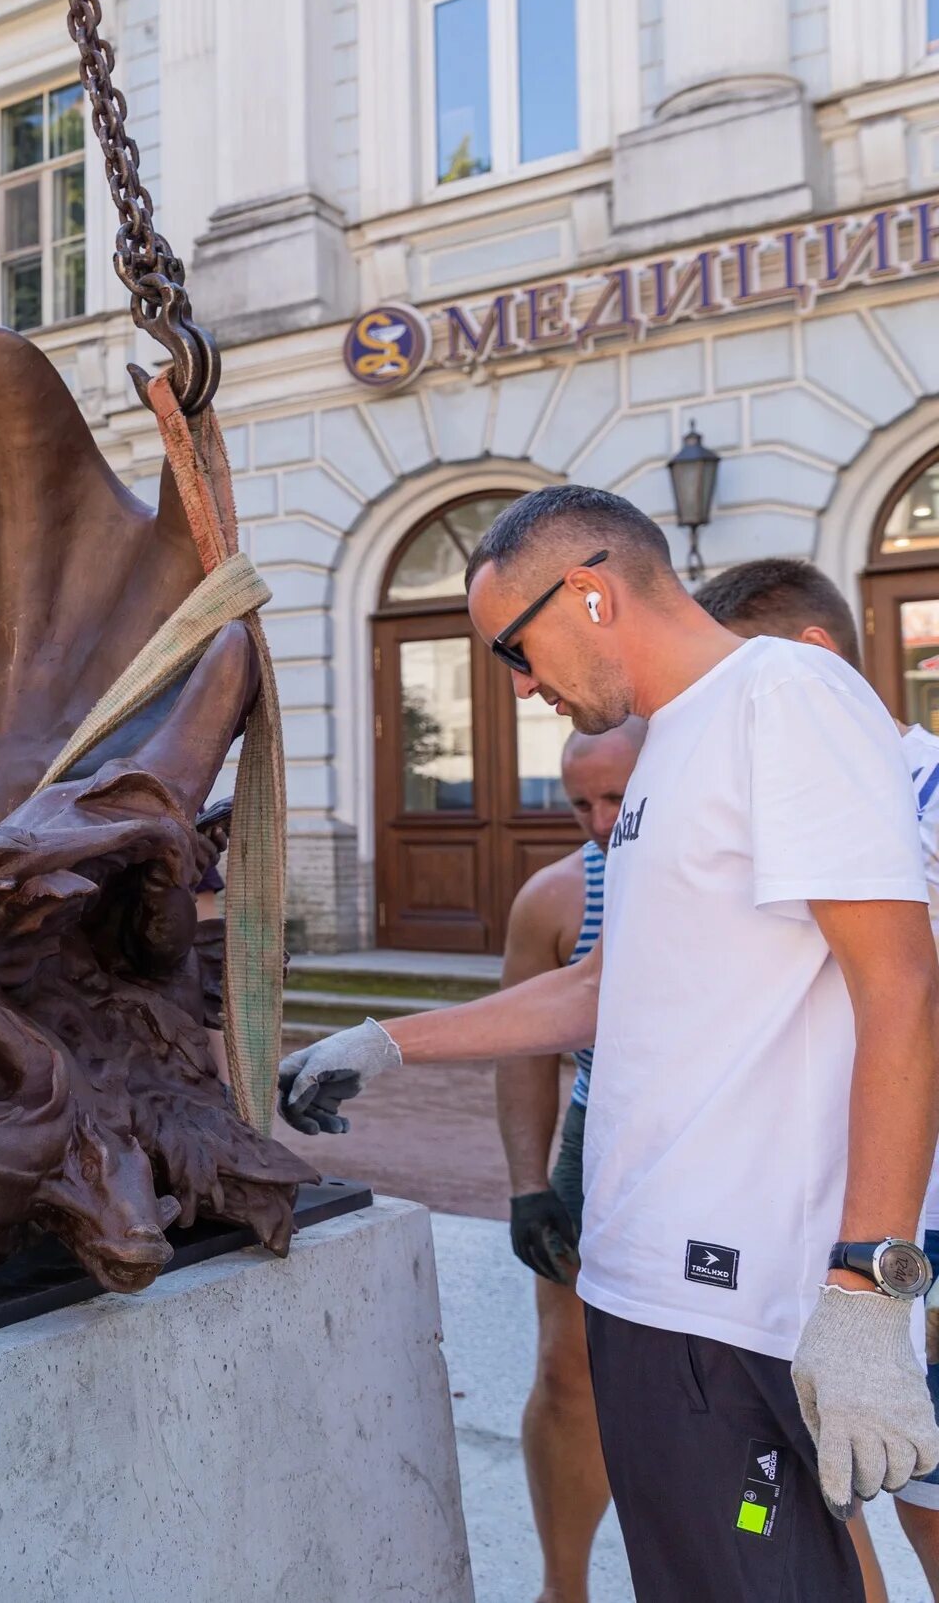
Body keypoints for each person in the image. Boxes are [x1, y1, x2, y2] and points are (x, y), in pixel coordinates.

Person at [278, 486, 939, 1603]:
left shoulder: (782, 693)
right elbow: (602, 986)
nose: (521, 686)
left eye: (513, 649)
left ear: (587, 590)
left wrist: (870, 1290)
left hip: (731, 1302)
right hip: (643, 1291)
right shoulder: (671, 741)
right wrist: (389, 1041)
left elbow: (901, 985)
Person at [693, 555, 939, 1601]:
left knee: (926, 1498)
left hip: (905, 1237)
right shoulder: (782, 813)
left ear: (808, 661)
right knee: (814, 1498)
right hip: (829, 1217)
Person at [494, 718, 640, 1603]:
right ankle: (564, 1589)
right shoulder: (554, 898)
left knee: (754, 1386)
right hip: (600, 1137)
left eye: (617, 797)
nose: (597, 819)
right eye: (580, 801)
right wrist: (528, 1187)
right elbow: (522, 1050)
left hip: (723, 1146)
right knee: (566, 1371)